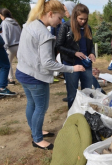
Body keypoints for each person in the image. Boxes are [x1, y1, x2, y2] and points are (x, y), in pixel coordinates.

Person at [16, 0, 85, 150]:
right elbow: (48, 63)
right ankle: (37, 139)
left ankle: (36, 131)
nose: (60, 22)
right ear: (50, 14)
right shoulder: (45, 34)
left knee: (31, 104)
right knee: (40, 107)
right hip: (35, 77)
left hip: (22, 72)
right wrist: (72, 69)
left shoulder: (30, 24)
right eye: (59, 18)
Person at [56, 4, 96, 109]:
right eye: (80, 19)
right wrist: (74, 53)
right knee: (72, 95)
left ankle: (86, 115)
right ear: (75, 16)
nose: (83, 21)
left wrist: (92, 53)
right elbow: (58, 46)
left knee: (87, 92)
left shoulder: (88, 28)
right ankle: (72, 116)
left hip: (86, 65)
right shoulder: (66, 27)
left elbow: (91, 45)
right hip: (71, 65)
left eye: (85, 19)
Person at [0, 8, 21, 85]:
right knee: (21, 62)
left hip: (10, 46)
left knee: (8, 63)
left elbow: (5, 35)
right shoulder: (15, 22)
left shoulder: (4, 23)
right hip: (19, 45)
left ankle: (11, 79)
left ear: (2, 15)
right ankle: (22, 77)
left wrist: (5, 46)